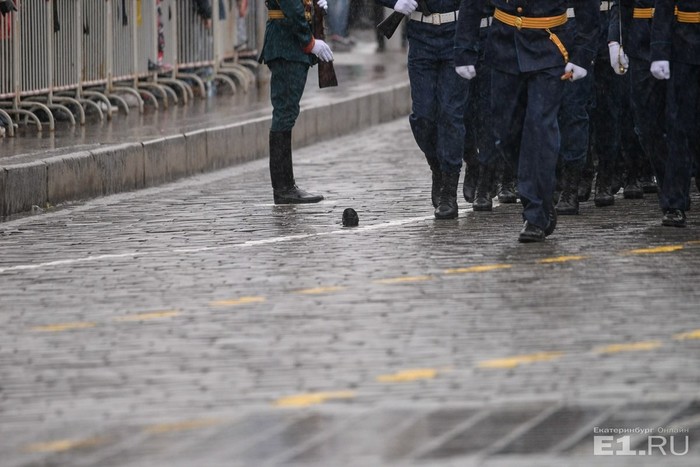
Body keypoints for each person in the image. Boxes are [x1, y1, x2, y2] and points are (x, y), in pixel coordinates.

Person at [456, 0, 600, 242]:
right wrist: (463, 49)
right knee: (505, 135)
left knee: (540, 129)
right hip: (505, 47)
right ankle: (541, 194)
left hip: (549, 46)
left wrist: (583, 54)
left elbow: (588, 7)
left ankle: (534, 213)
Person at [375, 0, 470, 220]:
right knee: (423, 116)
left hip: (457, 34)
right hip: (421, 36)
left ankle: (449, 189)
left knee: (451, 114)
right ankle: (436, 165)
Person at [258, 0, 334, 204]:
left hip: (289, 43)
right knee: (285, 113)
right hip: (288, 43)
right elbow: (290, 6)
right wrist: (309, 42)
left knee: (287, 112)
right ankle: (283, 187)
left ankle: (286, 185)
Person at [608, 0, 668, 201]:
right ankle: (667, 180)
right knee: (646, 123)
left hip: (680, 38)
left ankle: (674, 195)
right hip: (641, 40)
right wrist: (615, 40)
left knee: (683, 120)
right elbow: (621, 3)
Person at [649, 0, 699, 227]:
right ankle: (675, 203)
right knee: (679, 128)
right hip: (684, 44)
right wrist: (660, 50)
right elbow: (665, 6)